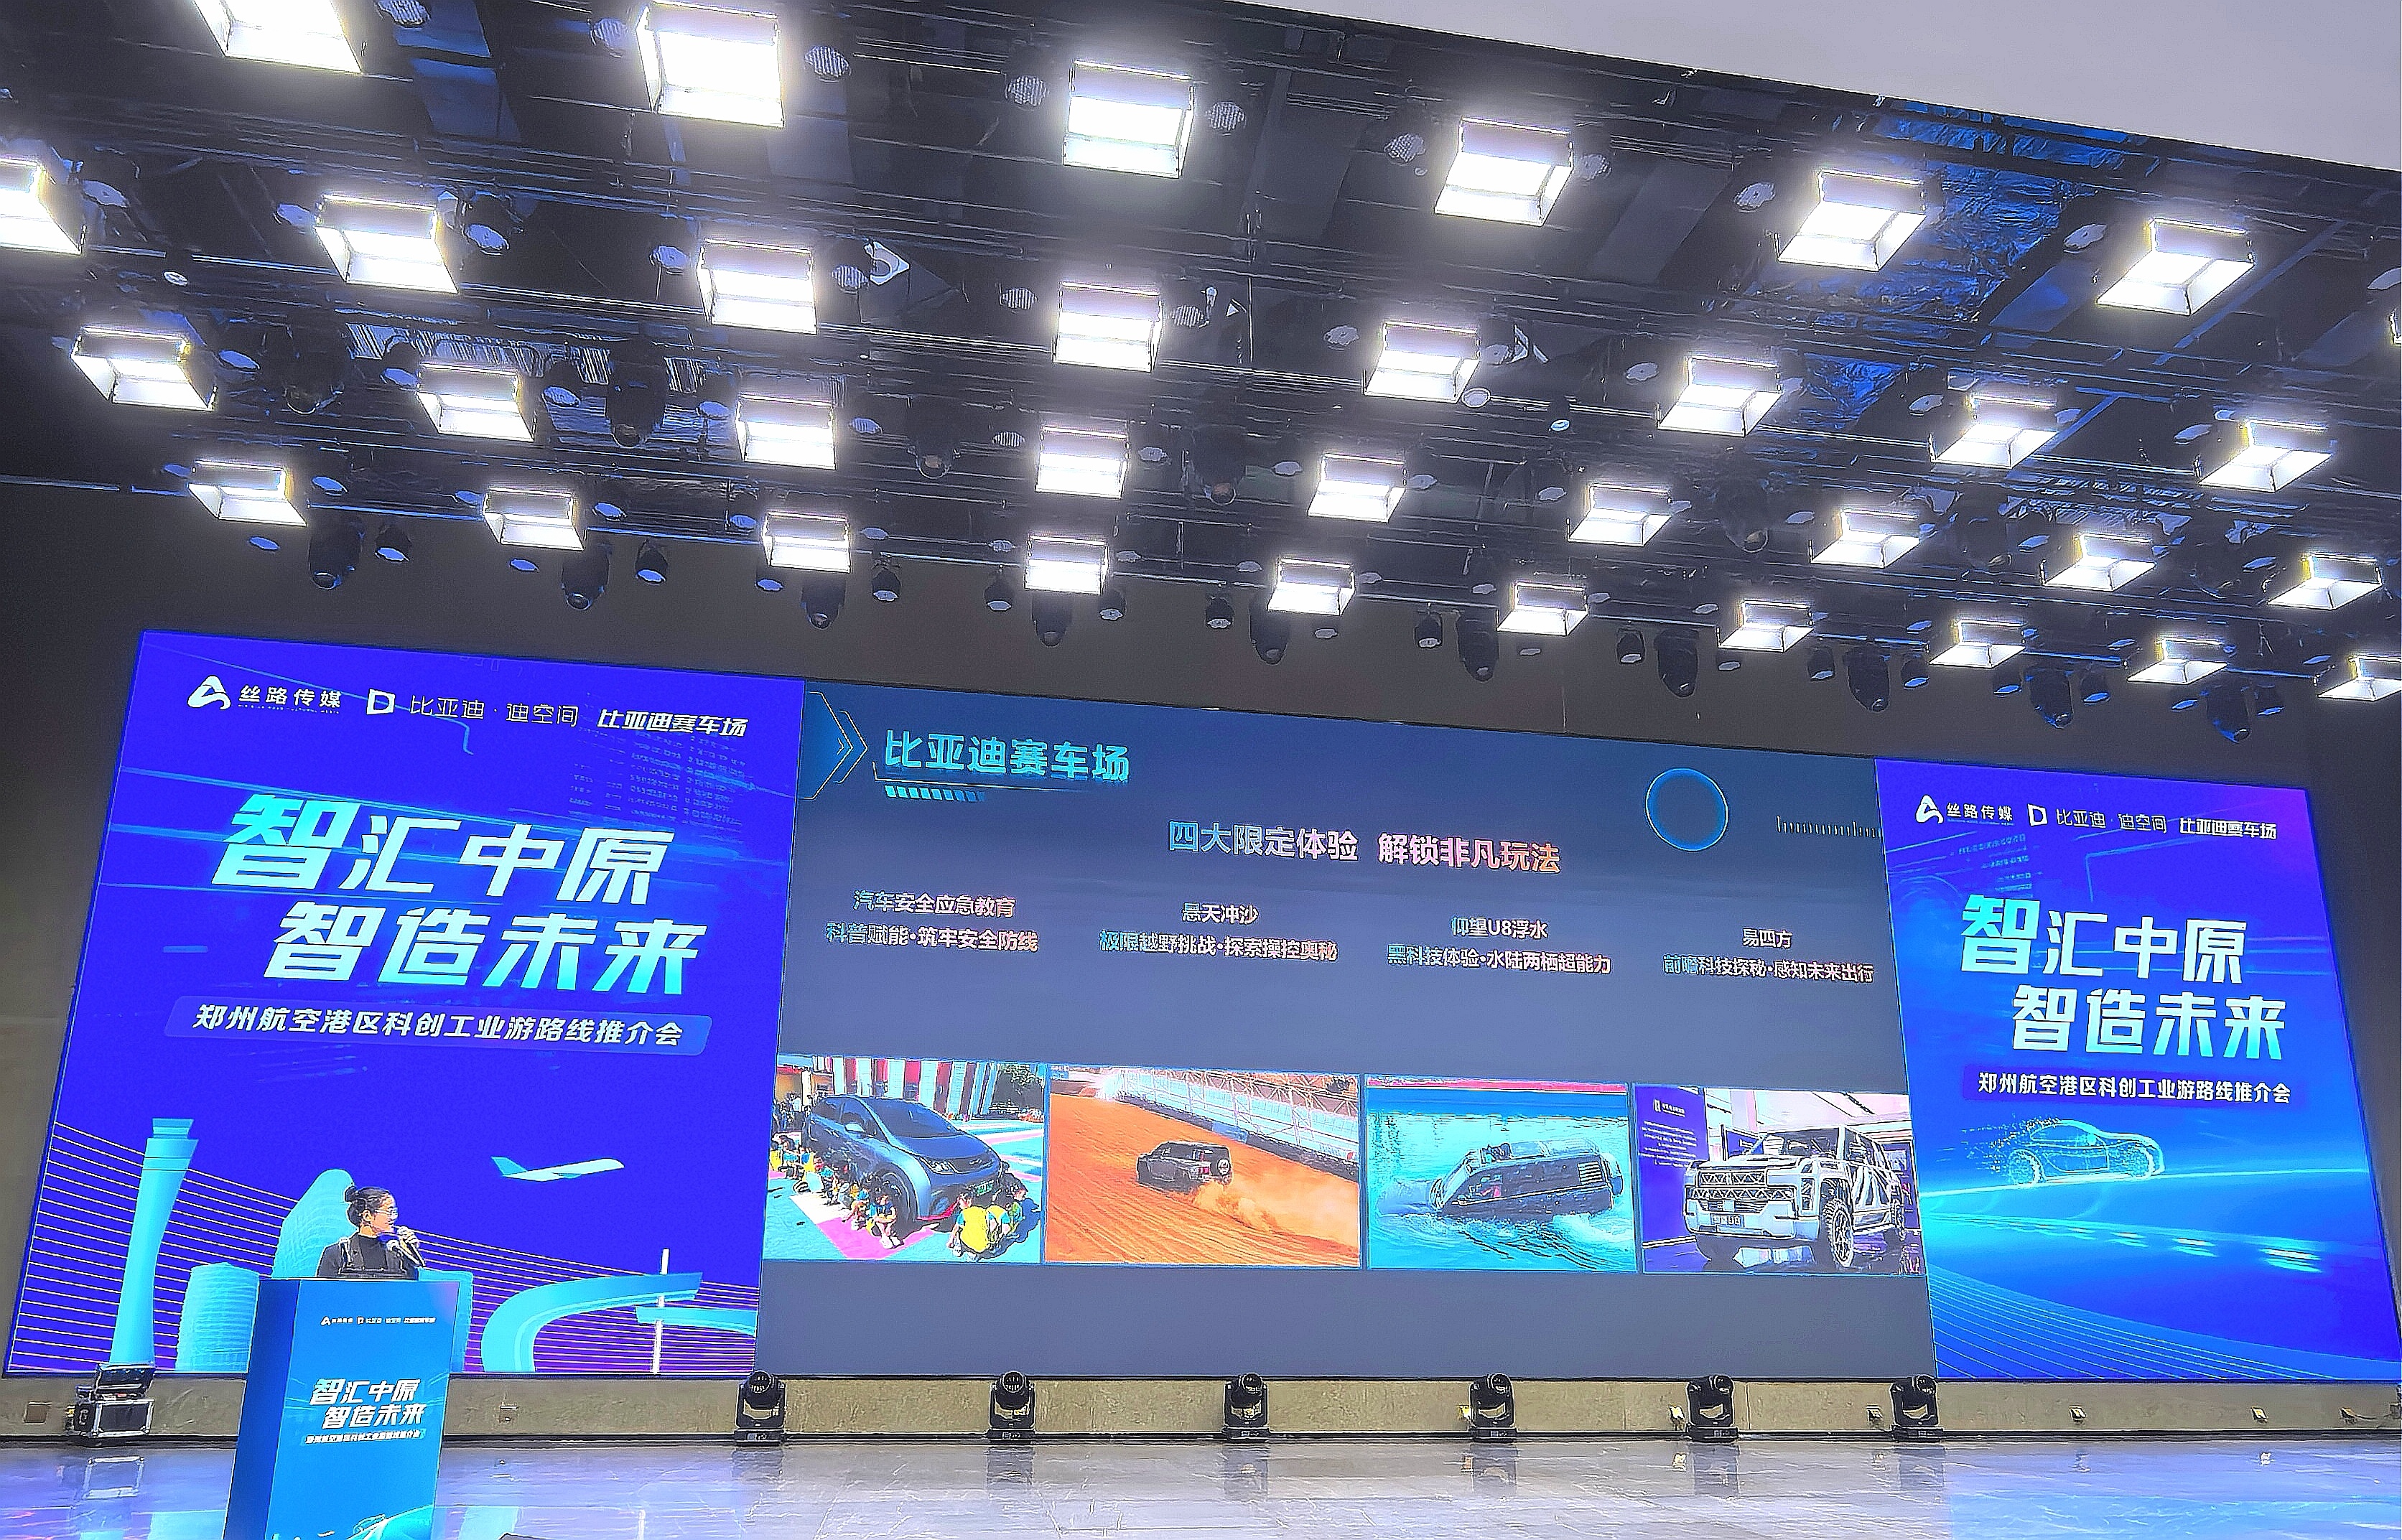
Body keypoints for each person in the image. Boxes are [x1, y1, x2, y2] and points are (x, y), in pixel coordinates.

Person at [315, 1185, 422, 1280]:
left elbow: (410, 1288)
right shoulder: (338, 1253)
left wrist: (408, 1252)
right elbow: (321, 1291)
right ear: (367, 1216)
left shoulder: (395, 1254)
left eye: (395, 1212)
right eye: (389, 1212)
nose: (393, 1217)